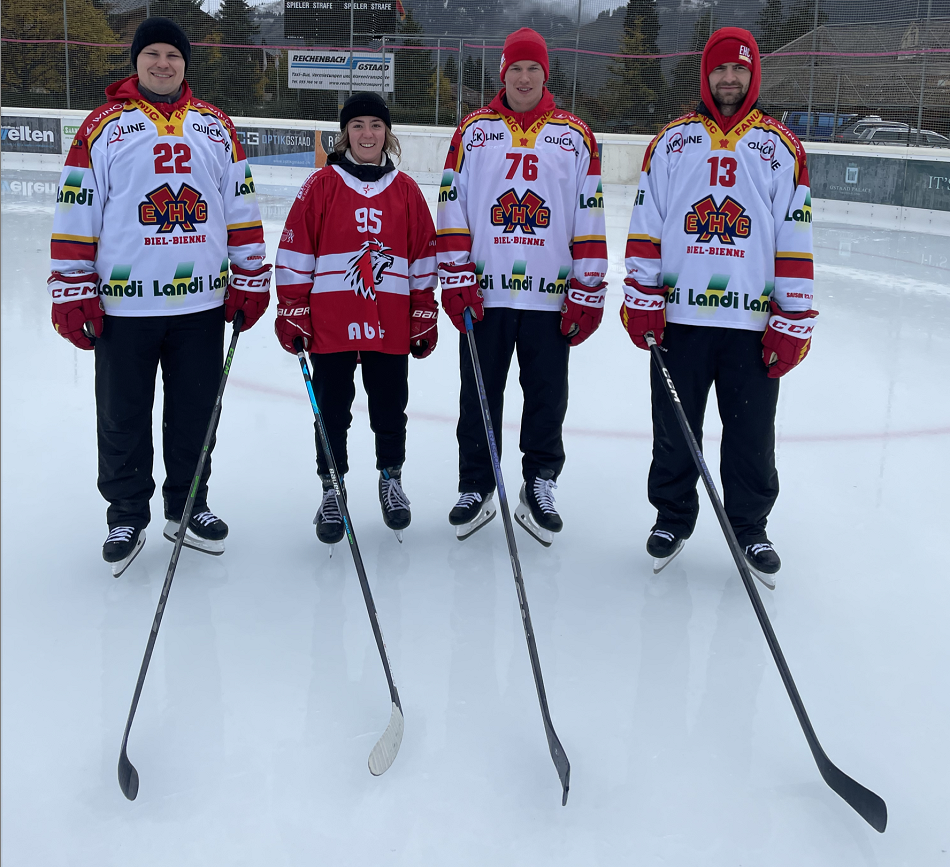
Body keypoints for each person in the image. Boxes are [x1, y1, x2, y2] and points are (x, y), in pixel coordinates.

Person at [48, 17, 270, 576]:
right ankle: (126, 512)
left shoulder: (216, 125)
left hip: (199, 304)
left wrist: (249, 277)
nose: (163, 64)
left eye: (173, 54)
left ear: (185, 63)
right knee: (122, 416)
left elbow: (240, 209)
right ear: (137, 62)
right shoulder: (102, 127)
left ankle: (188, 505)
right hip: (124, 306)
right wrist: (73, 292)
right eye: (153, 55)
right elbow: (77, 212)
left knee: (196, 413)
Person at [622, 27, 816, 581]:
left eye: (739, 69)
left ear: (753, 74)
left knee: (752, 432)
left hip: (752, 324)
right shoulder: (673, 142)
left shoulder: (781, 147)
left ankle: (749, 526)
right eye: (719, 69)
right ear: (705, 74)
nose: (729, 79)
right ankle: (673, 516)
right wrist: (642, 298)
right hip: (681, 319)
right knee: (675, 426)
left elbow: (794, 240)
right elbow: (646, 227)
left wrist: (792, 319)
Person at [436, 27, 608, 546]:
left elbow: (590, 218)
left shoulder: (575, 135)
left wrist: (588, 288)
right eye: (516, 68)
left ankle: (540, 481)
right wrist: (456, 276)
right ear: (503, 72)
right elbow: (451, 206)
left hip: (549, 298)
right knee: (479, 397)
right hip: (485, 296)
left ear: (545, 73)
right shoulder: (473, 131)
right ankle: (476, 483)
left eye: (534, 68)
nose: (525, 77)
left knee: (547, 398)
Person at [274, 92, 439, 545]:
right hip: (331, 320)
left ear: (388, 134)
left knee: (390, 407)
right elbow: (294, 249)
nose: (367, 134)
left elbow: (424, 254)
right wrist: (293, 309)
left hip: (389, 319)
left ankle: (391, 479)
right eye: (358, 125)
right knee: (331, 409)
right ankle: (332, 487)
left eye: (376, 125)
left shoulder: (405, 190)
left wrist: (423, 311)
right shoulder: (322, 185)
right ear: (345, 132)